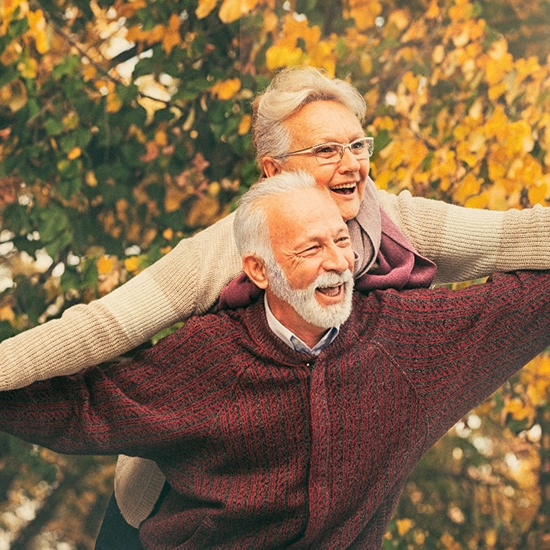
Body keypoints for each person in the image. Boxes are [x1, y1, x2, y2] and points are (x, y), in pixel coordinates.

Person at [1, 66, 549, 534]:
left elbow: (516, 237)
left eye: (358, 145)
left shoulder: (398, 223)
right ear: (274, 169)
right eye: (327, 150)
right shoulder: (225, 246)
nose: (353, 164)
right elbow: (103, 326)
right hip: (182, 504)